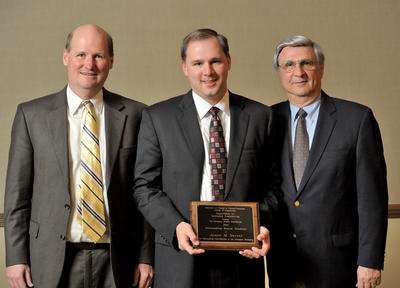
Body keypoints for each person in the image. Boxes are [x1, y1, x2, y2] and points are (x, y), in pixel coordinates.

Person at [4, 24, 154, 288]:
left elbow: (145, 193)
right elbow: (17, 195)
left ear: (111, 61)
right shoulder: (32, 116)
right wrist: (15, 258)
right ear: (66, 57)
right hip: (52, 258)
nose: (89, 64)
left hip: (119, 259)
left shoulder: (138, 115)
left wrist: (146, 256)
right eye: (81, 55)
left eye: (98, 56)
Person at [133, 28, 280, 288]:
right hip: (180, 258)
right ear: (184, 67)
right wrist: (176, 226)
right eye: (198, 63)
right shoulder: (158, 118)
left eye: (215, 61)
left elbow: (273, 186)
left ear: (229, 62)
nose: (207, 71)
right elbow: (145, 188)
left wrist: (262, 225)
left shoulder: (260, 117)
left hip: (242, 262)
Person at [267, 35, 388, 288]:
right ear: (279, 72)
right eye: (288, 65)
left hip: (340, 264)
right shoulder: (267, 120)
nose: (297, 72)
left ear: (321, 67)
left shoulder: (356, 120)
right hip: (283, 261)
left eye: (306, 63)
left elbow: (372, 198)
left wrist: (370, 261)